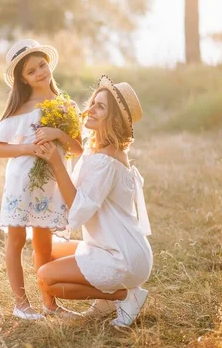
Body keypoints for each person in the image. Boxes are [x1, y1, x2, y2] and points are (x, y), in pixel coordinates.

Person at [33, 75, 153, 327]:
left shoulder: (105, 161)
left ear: (114, 120)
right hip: (113, 246)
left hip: (121, 256)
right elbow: (76, 159)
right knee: (47, 248)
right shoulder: (101, 149)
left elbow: (79, 210)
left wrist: (55, 162)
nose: (91, 109)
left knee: (46, 278)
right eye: (93, 102)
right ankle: (107, 300)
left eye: (100, 107)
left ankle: (124, 295)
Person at [0, 39, 83, 320]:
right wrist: (30, 148)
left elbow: (78, 148)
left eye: (42, 65)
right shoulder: (21, 108)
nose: (40, 72)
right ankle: (21, 304)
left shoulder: (65, 104)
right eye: (32, 71)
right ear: (24, 79)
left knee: (44, 244)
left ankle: (49, 304)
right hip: (22, 181)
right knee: (16, 238)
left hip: (51, 183)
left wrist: (58, 135)